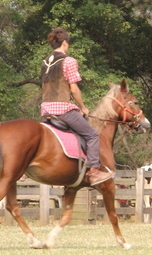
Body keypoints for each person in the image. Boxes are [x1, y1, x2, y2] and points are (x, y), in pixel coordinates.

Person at [40, 27, 112, 186]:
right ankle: (93, 171)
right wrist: (83, 107)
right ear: (65, 42)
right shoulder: (69, 61)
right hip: (62, 110)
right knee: (92, 135)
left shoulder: (45, 61)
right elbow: (73, 89)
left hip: (45, 110)